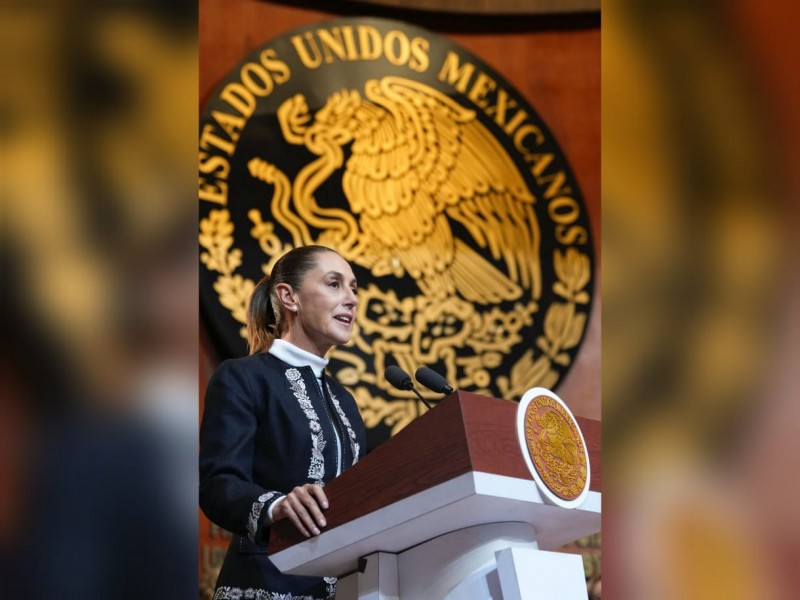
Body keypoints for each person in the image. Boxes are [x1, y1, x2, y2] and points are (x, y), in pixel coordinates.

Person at [200, 245, 366, 600]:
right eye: (334, 284)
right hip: (263, 585)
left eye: (354, 288)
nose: (351, 299)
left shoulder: (345, 401)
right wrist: (277, 505)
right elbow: (218, 484)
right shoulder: (244, 377)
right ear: (289, 297)